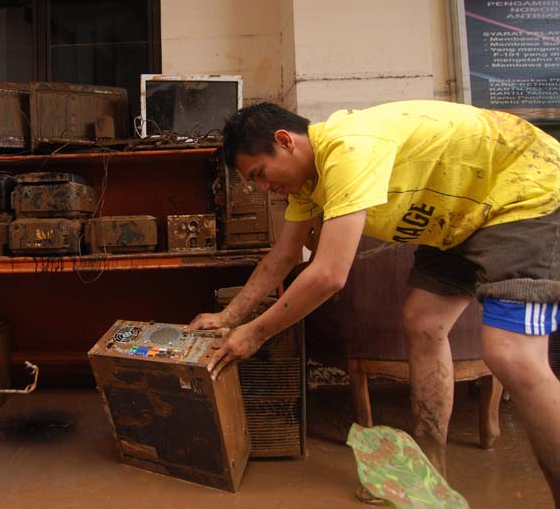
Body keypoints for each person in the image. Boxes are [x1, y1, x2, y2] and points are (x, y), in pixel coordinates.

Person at [188, 100, 560, 504]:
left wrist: (255, 334)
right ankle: (429, 469)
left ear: (285, 141)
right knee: (423, 322)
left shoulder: (347, 148)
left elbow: (329, 274)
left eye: (260, 174)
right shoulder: (308, 186)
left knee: (512, 355)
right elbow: (284, 256)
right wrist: (229, 316)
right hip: (458, 217)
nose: (264, 188)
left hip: (524, 190)